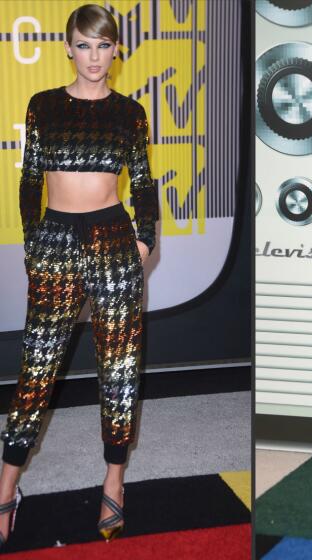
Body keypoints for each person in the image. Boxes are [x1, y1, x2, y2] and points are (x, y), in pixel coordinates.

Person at [0, 4, 158, 547]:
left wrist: (144, 239)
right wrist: (32, 246)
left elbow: (143, 181)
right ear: (68, 48)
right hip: (56, 242)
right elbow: (28, 184)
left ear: (117, 50)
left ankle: (114, 478)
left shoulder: (131, 113)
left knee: (119, 368)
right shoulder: (42, 105)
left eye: (104, 45)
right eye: (84, 45)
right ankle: (7, 483)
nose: (94, 56)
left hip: (114, 240)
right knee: (36, 370)